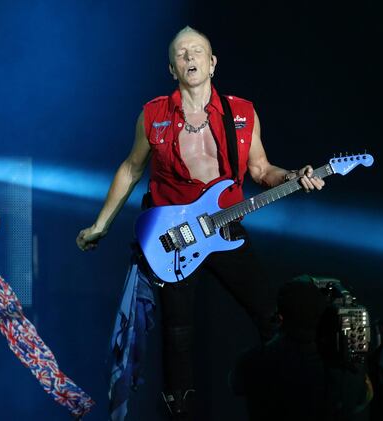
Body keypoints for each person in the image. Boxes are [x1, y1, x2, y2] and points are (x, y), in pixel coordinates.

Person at [76, 26, 324, 420]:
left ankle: (285, 402)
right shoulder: (153, 114)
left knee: (269, 315)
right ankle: (180, 412)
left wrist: (294, 174)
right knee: (178, 334)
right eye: (181, 53)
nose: (190, 57)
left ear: (212, 63)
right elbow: (130, 168)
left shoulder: (241, 112)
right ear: (172, 68)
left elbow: (261, 169)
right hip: (172, 237)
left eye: (197, 51)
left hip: (225, 226)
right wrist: (100, 225)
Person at [230, 277, 372, 420]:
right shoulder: (340, 370)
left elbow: (236, 385)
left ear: (280, 316)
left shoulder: (252, 361)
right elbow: (359, 399)